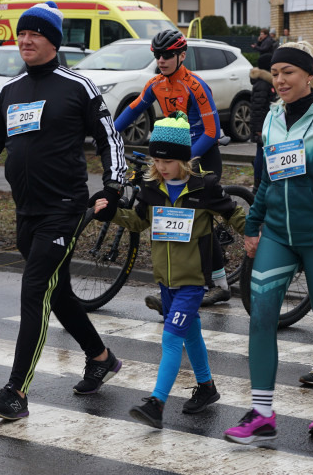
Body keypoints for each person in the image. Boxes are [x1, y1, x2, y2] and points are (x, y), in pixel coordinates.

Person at [0, 1, 127, 420]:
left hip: (65, 210)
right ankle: (102, 357)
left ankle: (15, 392)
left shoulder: (77, 86)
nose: (26, 40)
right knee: (61, 295)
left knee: (35, 291)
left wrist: (113, 186)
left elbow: (110, 138)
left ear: (52, 40)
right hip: (27, 213)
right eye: (21, 34)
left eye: (34, 34)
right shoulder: (11, 91)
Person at [224, 41, 313, 444]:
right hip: (280, 235)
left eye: (288, 72)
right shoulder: (272, 119)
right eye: (276, 72)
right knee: (261, 316)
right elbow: (268, 179)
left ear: (308, 75)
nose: (280, 79)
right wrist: (253, 224)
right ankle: (262, 414)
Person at [93, 113, 246, 429]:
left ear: (184, 159)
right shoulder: (151, 189)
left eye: (168, 160)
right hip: (166, 280)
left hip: (192, 281)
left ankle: (156, 403)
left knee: (171, 339)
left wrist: (260, 237)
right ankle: (207, 387)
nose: (161, 166)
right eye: (156, 159)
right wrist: (111, 213)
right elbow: (138, 222)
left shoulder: (204, 189)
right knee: (190, 333)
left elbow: (236, 216)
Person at [114, 30, 232, 309]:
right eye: (157, 55)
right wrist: (108, 133)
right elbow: (132, 110)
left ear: (181, 55)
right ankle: (172, 287)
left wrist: (185, 160)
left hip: (201, 152)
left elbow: (212, 131)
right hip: (174, 154)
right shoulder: (155, 83)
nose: (161, 60)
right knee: (164, 212)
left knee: (197, 219)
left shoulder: (196, 85)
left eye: (167, 55)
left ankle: (219, 285)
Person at [249, 53, 276, 192]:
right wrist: (259, 128)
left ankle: (262, 182)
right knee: (261, 152)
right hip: (262, 126)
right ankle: (258, 184)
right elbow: (258, 108)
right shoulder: (263, 84)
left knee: (264, 152)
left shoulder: (265, 82)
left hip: (266, 125)